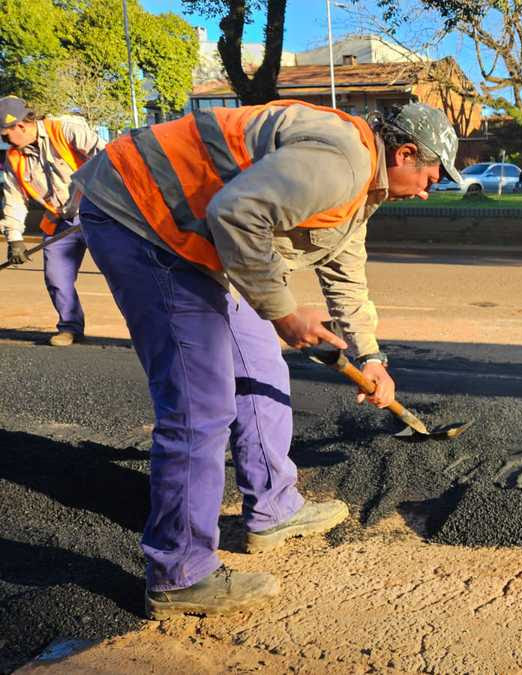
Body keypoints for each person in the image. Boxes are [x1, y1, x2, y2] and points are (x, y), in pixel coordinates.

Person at [71, 99, 462, 619]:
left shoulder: (364, 187)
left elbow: (345, 273)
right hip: (144, 218)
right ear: (406, 153)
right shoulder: (340, 162)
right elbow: (237, 212)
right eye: (434, 172)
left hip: (207, 238)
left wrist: (370, 356)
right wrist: (282, 312)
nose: (434, 185)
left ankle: (274, 506)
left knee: (261, 367)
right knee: (200, 404)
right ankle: (179, 573)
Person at [1, 96, 105, 346]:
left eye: (4, 135)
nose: (4, 141)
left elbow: (111, 159)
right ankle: (70, 327)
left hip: (97, 213)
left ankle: (143, 328)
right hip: (59, 221)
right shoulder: (15, 158)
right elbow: (13, 199)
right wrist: (14, 238)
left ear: (20, 126)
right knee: (56, 277)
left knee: (122, 273)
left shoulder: (66, 130)